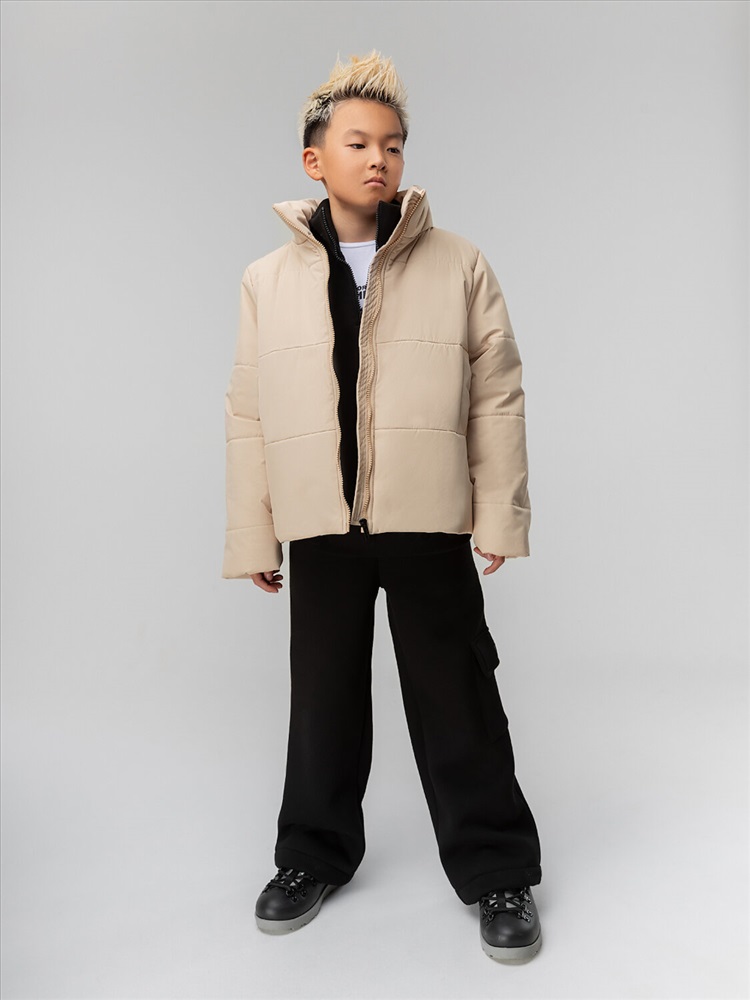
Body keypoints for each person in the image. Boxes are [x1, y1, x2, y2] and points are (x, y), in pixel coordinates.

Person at [222, 49, 543, 963]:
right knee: (322, 701)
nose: (379, 159)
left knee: (457, 698)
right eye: (358, 142)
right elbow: (248, 409)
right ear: (314, 159)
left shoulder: (458, 263)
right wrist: (256, 531)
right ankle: (309, 857)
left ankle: (498, 871)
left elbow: (498, 394)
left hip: (427, 517)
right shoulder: (267, 279)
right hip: (321, 524)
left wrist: (498, 513)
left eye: (393, 144)